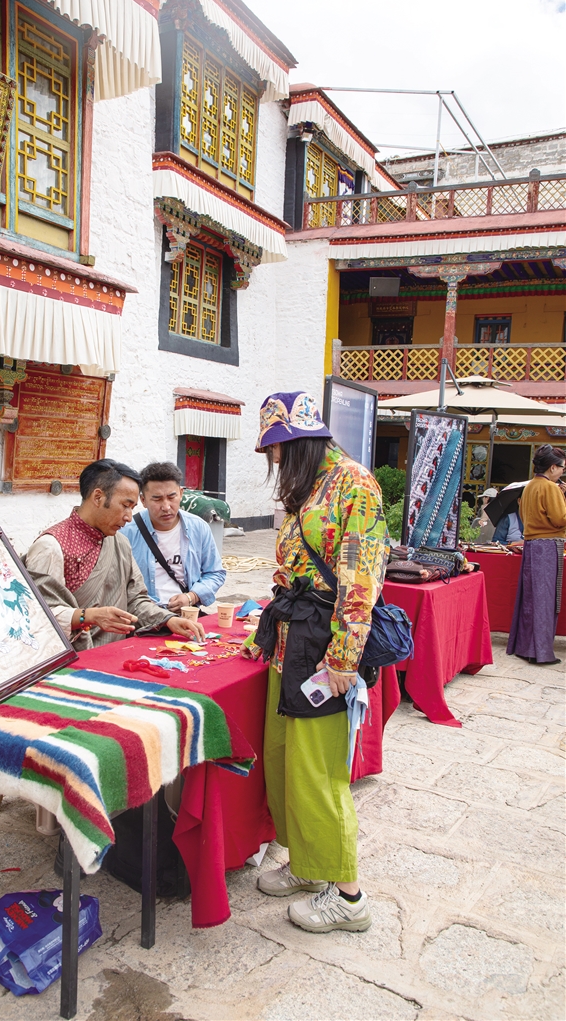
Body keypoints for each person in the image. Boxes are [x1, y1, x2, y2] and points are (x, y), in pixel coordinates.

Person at [243, 391, 389, 934]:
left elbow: (360, 578)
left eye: (276, 450)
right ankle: (308, 866)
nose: (274, 461)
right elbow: (291, 573)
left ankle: (348, 897)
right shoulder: (308, 487)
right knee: (284, 762)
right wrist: (261, 634)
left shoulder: (355, 484)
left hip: (325, 648)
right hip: (290, 643)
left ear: (296, 442)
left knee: (319, 773)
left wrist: (345, 658)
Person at [23, 459, 205, 648]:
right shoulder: (51, 547)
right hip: (71, 657)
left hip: (115, 652)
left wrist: (168, 620)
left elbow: (135, 600)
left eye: (132, 508)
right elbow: (34, 616)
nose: (129, 517)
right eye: (125, 505)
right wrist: (87, 616)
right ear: (98, 497)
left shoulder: (120, 542)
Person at [121, 461, 225, 610]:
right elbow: (113, 581)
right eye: (157, 499)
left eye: (171, 497)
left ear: (181, 493)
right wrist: (141, 603)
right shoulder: (126, 532)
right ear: (143, 500)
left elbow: (215, 573)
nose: (166, 507)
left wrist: (191, 597)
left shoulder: (198, 527)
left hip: (185, 613)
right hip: (143, 616)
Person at [508, 445, 566, 666]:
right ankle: (540, 651)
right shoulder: (550, 487)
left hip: (532, 544)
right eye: (562, 468)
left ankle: (525, 647)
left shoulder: (529, 486)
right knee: (545, 600)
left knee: (531, 598)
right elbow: (560, 519)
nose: (562, 471)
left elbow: (524, 516)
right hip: (548, 545)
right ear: (553, 467)